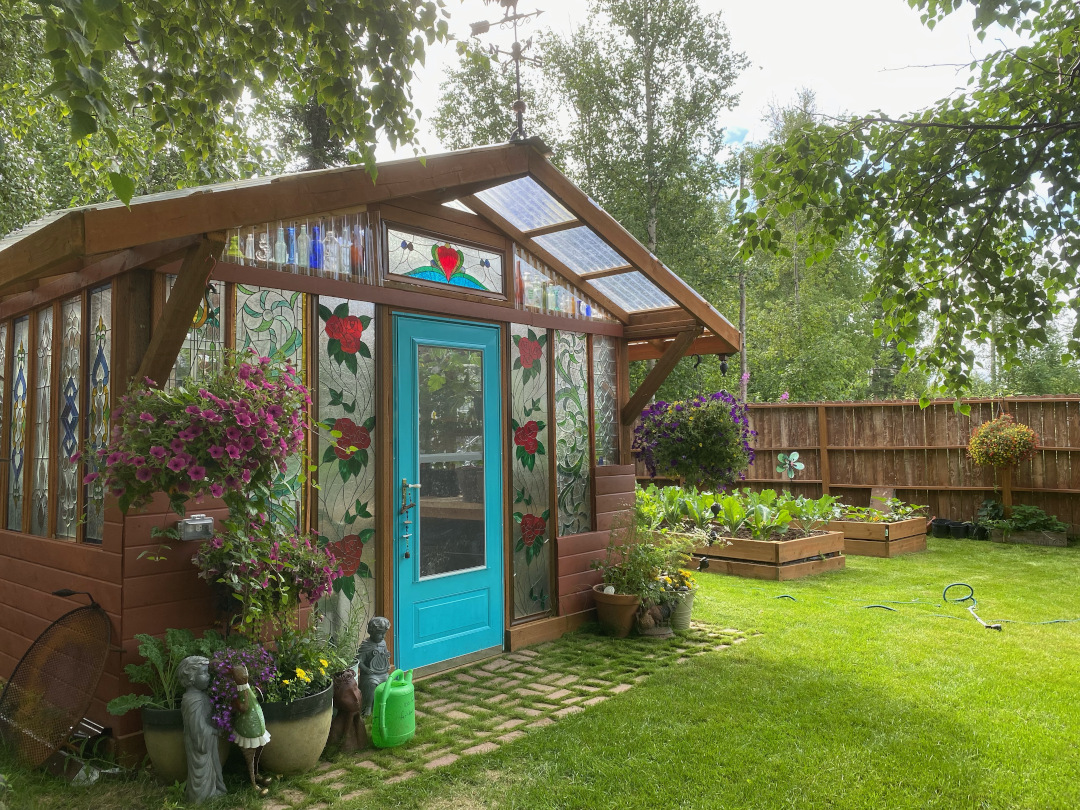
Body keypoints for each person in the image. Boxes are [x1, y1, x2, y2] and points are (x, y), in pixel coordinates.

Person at [178, 656, 226, 803]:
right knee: (201, 770)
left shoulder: (200, 696)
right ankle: (201, 796)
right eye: (204, 673)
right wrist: (214, 731)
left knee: (211, 765)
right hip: (199, 743)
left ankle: (213, 791)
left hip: (207, 741)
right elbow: (197, 729)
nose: (208, 676)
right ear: (191, 678)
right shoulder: (193, 700)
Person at [230, 664, 271, 795]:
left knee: (258, 751)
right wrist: (235, 703)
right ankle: (253, 783)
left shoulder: (245, 689)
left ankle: (256, 774)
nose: (245, 675)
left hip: (257, 728)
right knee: (250, 757)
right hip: (248, 730)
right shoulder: (242, 691)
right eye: (242, 674)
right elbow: (243, 708)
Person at [355, 616, 391, 716]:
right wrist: (365, 669)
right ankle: (368, 706)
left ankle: (382, 704)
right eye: (380, 634)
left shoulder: (383, 643)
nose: (383, 636)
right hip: (369, 674)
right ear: (372, 632)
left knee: (388, 681)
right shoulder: (366, 645)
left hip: (381, 672)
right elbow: (358, 661)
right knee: (372, 684)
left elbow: (384, 656)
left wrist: (386, 666)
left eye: (384, 633)